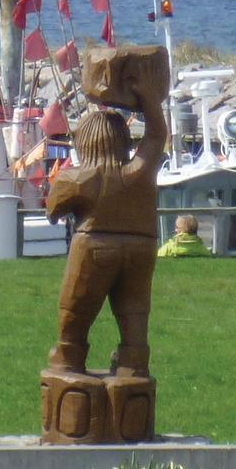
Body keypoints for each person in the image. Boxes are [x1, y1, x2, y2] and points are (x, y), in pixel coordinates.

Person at [45, 56, 169, 376]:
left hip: (94, 246)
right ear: (124, 142)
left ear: (83, 143)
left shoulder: (80, 178)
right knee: (134, 311)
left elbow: (52, 210)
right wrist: (148, 97)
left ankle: (69, 355)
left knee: (76, 307)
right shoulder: (140, 171)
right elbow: (157, 136)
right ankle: (134, 359)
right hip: (141, 248)